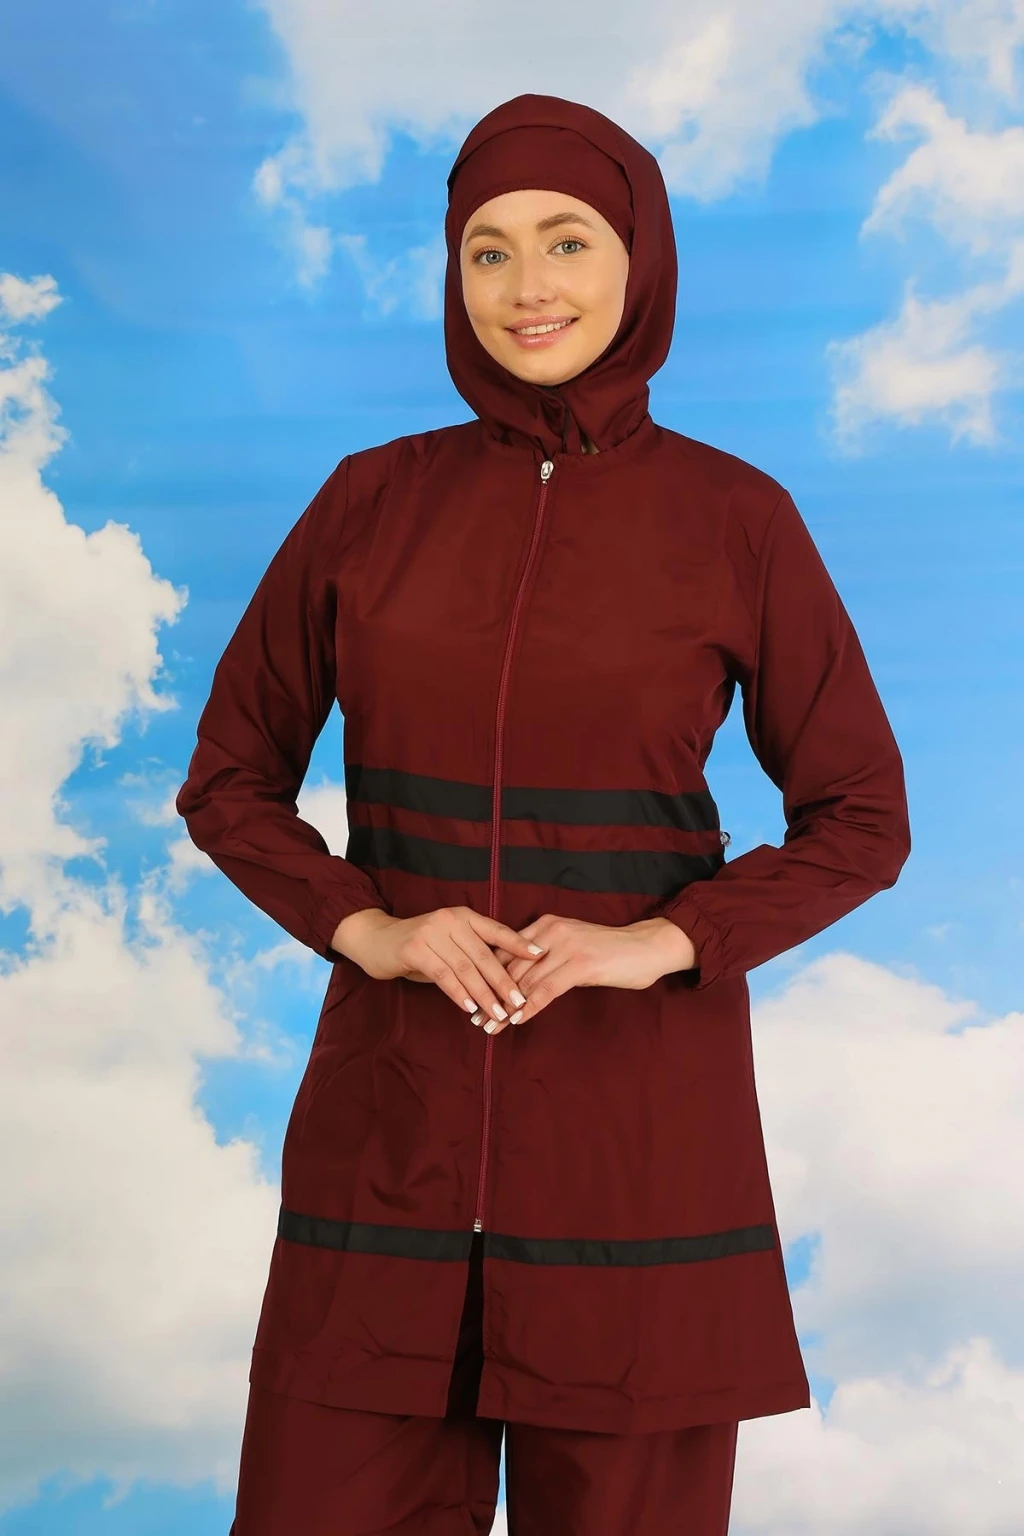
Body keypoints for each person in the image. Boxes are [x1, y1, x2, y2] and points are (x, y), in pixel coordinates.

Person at [176, 92, 911, 1535]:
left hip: (637, 1150)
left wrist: (663, 943)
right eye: (489, 250)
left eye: (568, 241)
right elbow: (229, 780)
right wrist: (370, 929)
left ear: (641, 259)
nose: (529, 287)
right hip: (388, 1139)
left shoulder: (738, 519)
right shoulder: (367, 503)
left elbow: (860, 815)